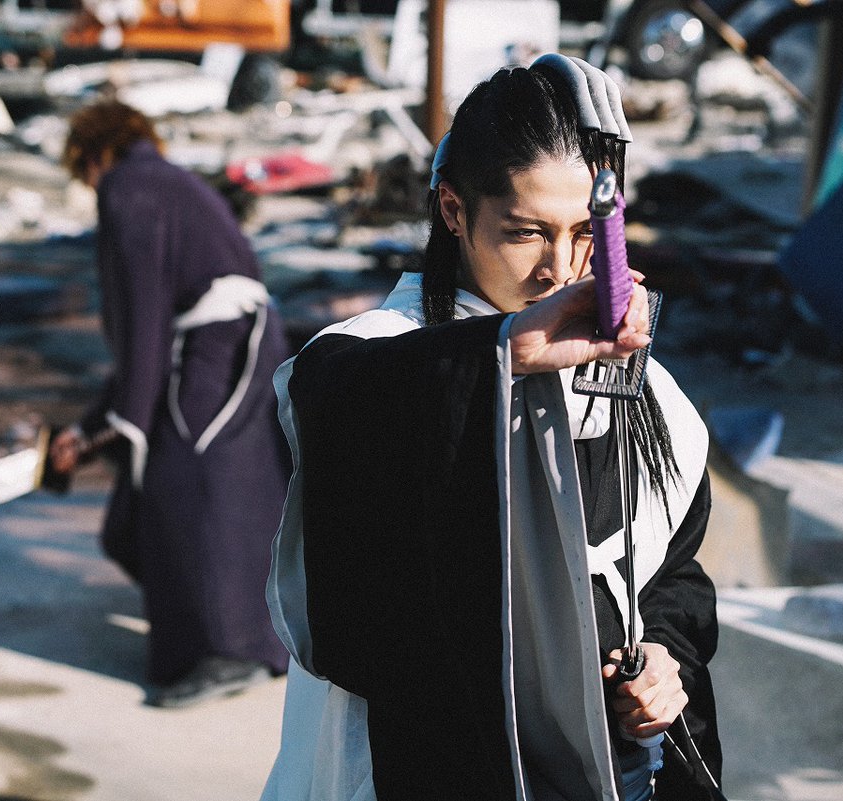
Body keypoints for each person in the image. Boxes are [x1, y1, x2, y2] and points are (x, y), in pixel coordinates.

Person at [262, 57, 722, 800]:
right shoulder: (383, 355)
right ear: (453, 210)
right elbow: (339, 406)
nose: (558, 268)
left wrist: (665, 656)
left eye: (585, 233)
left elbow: (673, 573)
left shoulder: (646, 390)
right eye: (526, 232)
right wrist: (506, 354)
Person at [49, 99, 290, 707]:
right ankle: (227, 632)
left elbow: (141, 312)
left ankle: (232, 649)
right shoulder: (162, 180)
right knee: (189, 487)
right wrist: (99, 423)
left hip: (220, 343)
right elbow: (150, 322)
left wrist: (119, 418)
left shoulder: (128, 186)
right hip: (233, 337)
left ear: (93, 155)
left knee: (194, 481)